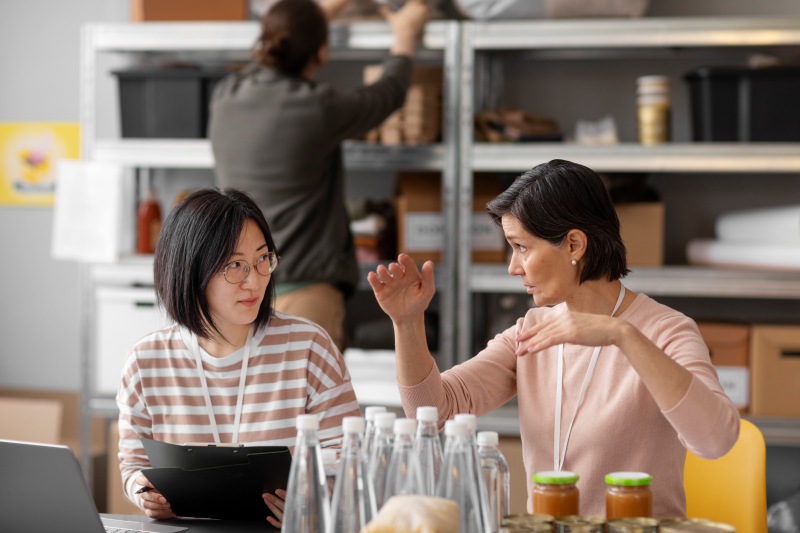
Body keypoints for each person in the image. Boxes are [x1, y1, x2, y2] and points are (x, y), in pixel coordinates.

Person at [367, 159, 740, 518]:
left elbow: (715, 440)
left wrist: (621, 335)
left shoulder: (667, 331)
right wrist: (408, 323)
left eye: (521, 247)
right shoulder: (530, 332)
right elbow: (434, 413)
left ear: (574, 245)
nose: (513, 267)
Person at [116, 188, 361, 527]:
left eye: (263, 259)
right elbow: (133, 464)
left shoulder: (308, 347)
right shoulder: (146, 361)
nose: (255, 280)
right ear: (191, 271)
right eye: (235, 265)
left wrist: (312, 497)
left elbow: (349, 454)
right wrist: (144, 493)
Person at [208, 0, 430, 352]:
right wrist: (405, 36)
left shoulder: (225, 95)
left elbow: (265, 60)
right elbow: (388, 94)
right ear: (322, 53)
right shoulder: (317, 106)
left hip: (241, 290)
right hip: (305, 294)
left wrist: (313, 19)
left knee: (249, 405)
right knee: (311, 405)